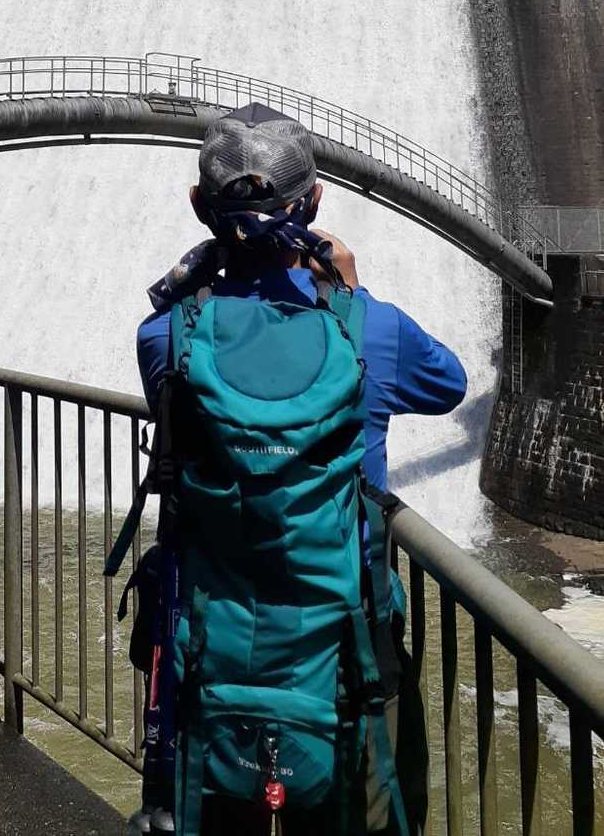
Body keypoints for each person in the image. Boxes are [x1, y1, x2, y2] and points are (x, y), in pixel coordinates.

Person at [134, 102, 467, 835]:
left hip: (209, 651)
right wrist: (349, 290)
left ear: (199, 206)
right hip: (346, 656)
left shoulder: (165, 335)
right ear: (313, 203)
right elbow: (449, 384)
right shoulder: (368, 330)